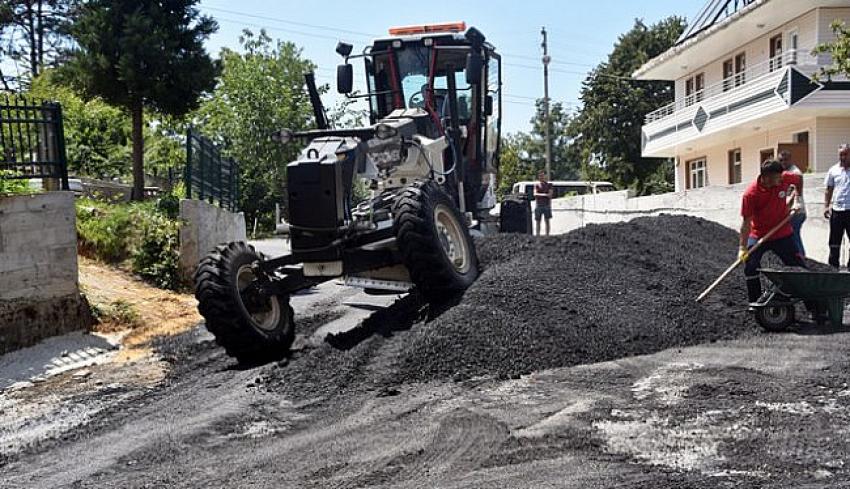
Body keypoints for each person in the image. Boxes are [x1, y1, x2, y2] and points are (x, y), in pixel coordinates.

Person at [739, 160, 805, 304]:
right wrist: (743, 248)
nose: (781, 180)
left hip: (782, 232)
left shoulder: (783, 177)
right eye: (777, 178)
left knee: (799, 266)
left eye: (780, 177)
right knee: (750, 266)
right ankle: (755, 303)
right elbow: (746, 224)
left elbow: (798, 179)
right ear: (766, 177)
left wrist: (797, 198)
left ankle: (814, 307)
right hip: (759, 234)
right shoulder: (751, 194)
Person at [824, 144, 850, 268]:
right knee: (834, 242)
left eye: (845, 154)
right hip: (837, 211)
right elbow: (829, 189)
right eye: (841, 154)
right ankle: (833, 268)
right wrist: (826, 206)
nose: (843, 157)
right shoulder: (833, 170)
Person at [778, 150, 806, 257]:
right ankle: (798, 257)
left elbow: (796, 192)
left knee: (793, 234)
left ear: (790, 159)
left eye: (785, 160)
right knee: (792, 235)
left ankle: (801, 257)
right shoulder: (783, 172)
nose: (783, 162)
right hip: (789, 211)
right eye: (781, 160)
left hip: (796, 211)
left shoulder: (795, 173)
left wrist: (790, 207)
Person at [533, 170, 553, 236]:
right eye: (540, 176)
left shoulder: (549, 185)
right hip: (538, 205)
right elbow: (535, 194)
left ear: (545, 176)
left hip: (547, 205)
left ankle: (547, 235)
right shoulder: (536, 185)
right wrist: (545, 195)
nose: (541, 177)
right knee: (538, 221)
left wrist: (540, 195)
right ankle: (537, 235)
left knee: (547, 221)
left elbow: (550, 195)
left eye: (542, 175)